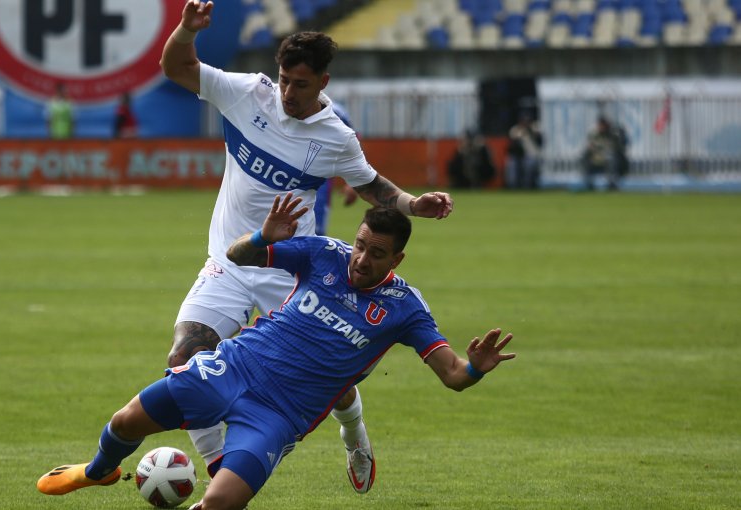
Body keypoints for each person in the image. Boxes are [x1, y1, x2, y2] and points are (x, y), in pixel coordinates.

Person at [36, 193, 516, 510]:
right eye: (361, 246)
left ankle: (356, 441)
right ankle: (98, 472)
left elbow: (453, 375)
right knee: (124, 422)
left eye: (377, 254)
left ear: (398, 259)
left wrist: (476, 366)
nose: (362, 260)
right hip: (235, 366)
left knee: (223, 502)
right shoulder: (323, 252)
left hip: (279, 415)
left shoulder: (405, 309)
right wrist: (265, 236)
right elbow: (240, 256)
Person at [158, 0, 454, 492]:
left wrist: (411, 204)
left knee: (330, 383)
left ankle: (355, 435)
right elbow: (175, 65)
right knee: (183, 359)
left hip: (292, 269)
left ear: (323, 83)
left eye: (300, 84)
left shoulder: (335, 136)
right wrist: (187, 29)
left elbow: (370, 185)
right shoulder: (248, 94)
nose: (288, 93)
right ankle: (218, 474)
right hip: (231, 259)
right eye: (284, 80)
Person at [313, 103, 358, 235]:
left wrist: (353, 182)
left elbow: (353, 143)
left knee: (314, 237)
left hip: (318, 184)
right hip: (280, 181)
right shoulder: (279, 103)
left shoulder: (333, 111)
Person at [581, 116, 629, 191]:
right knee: (584, 158)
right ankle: (588, 184)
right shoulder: (594, 135)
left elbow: (621, 147)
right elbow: (590, 148)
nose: (601, 127)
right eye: (600, 125)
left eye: (603, 125)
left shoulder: (614, 135)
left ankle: (612, 184)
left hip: (610, 162)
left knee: (612, 159)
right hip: (597, 162)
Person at [504, 114, 542, 190]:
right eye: (524, 121)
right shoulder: (516, 129)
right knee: (512, 164)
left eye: (527, 121)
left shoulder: (535, 128)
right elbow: (512, 145)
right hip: (517, 156)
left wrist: (530, 132)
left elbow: (539, 142)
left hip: (531, 156)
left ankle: (527, 187)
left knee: (529, 164)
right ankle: (513, 187)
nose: (525, 123)